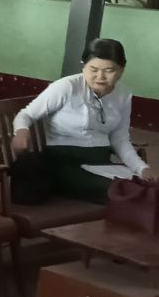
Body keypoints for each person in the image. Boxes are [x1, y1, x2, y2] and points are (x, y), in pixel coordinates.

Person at [12, 38, 154, 202]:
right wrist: (21, 132)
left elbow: (119, 139)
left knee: (140, 184)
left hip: (100, 163)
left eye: (109, 70)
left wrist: (142, 168)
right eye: (93, 69)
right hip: (63, 161)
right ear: (83, 66)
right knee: (121, 190)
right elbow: (26, 115)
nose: (100, 76)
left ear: (122, 70)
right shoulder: (67, 87)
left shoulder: (123, 94)